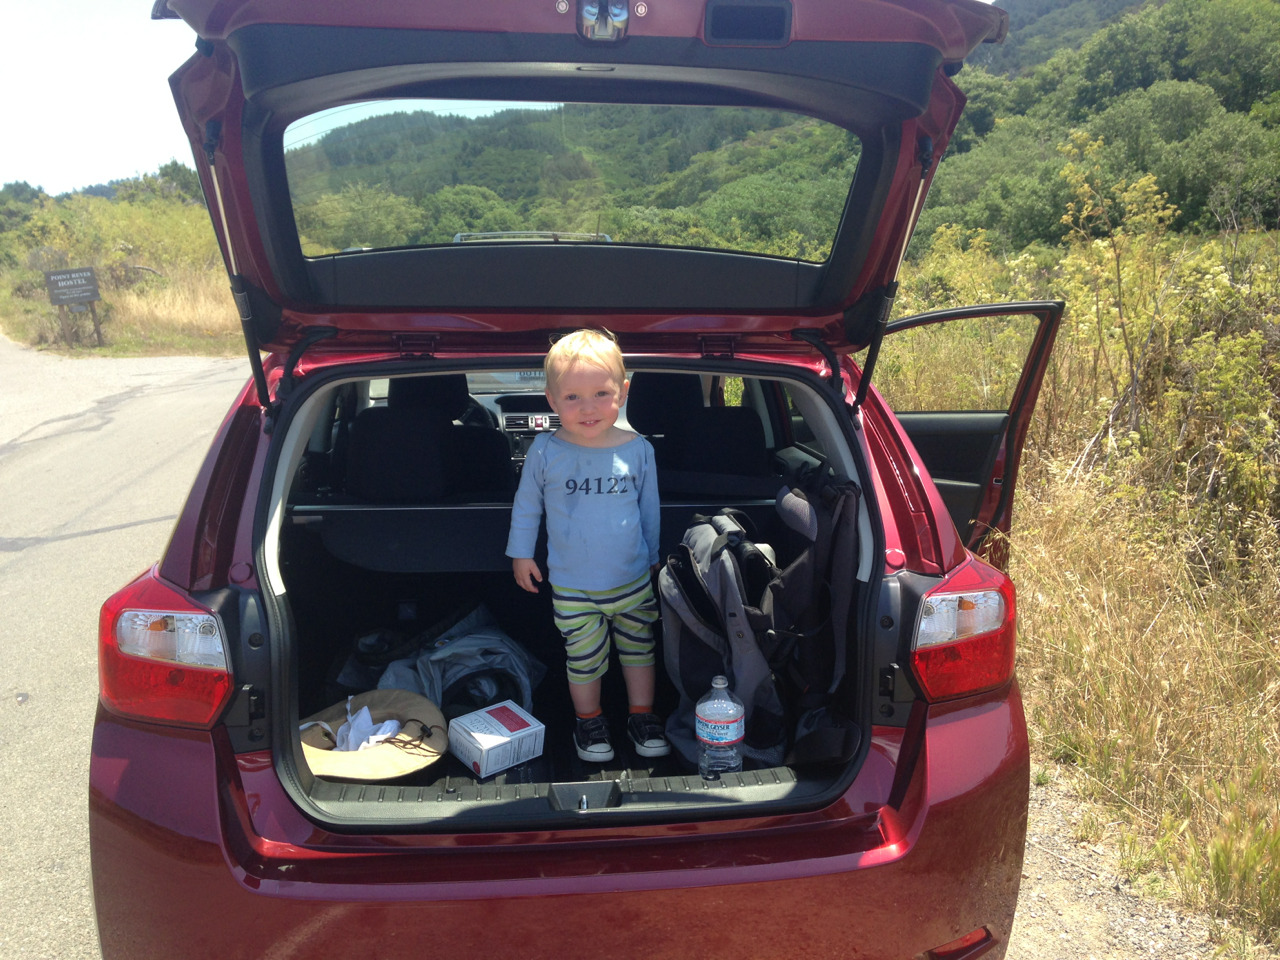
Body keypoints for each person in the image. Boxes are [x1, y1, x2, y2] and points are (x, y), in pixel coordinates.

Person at [506, 328, 669, 763]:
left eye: (601, 393)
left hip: (632, 579)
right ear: (552, 401)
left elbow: (648, 511)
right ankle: (589, 721)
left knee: (639, 651)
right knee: (583, 660)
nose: (589, 407)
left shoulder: (638, 450)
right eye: (573, 398)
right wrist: (521, 554)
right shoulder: (545, 450)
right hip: (573, 588)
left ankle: (642, 716)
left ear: (623, 392)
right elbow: (527, 507)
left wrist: (653, 557)